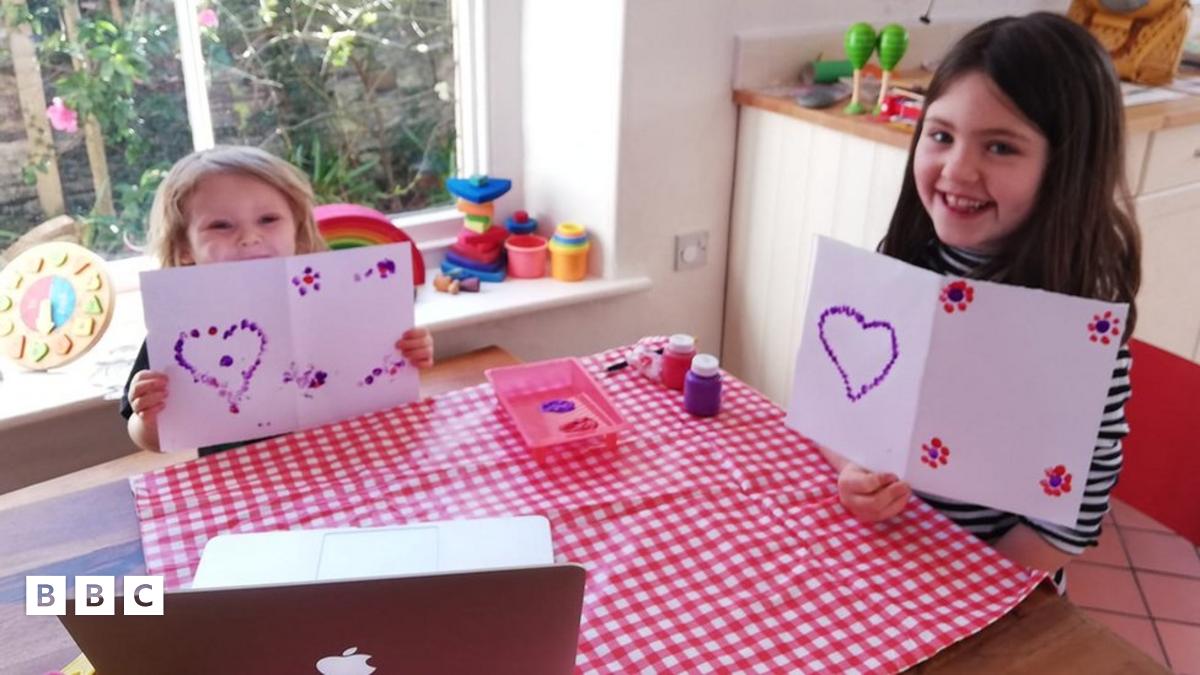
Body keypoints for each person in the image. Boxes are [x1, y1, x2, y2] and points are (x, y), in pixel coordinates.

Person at [819, 13, 1140, 581]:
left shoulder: (1080, 333)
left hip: (996, 587)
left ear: (1067, 167)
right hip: (888, 556)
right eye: (941, 135)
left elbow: (1068, 522)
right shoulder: (904, 267)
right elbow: (844, 415)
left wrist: (965, 589)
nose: (957, 169)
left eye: (999, 147)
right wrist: (853, 471)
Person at [121, 146, 435, 456]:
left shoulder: (336, 303)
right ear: (184, 246)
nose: (250, 237)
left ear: (296, 230)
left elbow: (380, 378)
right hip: (245, 474)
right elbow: (152, 440)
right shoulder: (181, 328)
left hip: (345, 457)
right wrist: (149, 417)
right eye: (221, 225)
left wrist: (410, 352)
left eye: (269, 219)